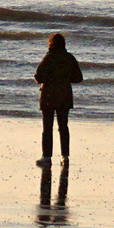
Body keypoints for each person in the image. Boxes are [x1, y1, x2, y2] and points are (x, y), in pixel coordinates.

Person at [34, 32, 83, 163]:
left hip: (48, 95)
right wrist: (65, 79)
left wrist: (49, 80)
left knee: (47, 128)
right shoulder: (69, 58)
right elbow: (78, 78)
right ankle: (65, 156)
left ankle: (47, 157)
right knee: (63, 127)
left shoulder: (48, 58)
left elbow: (38, 77)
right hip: (65, 95)